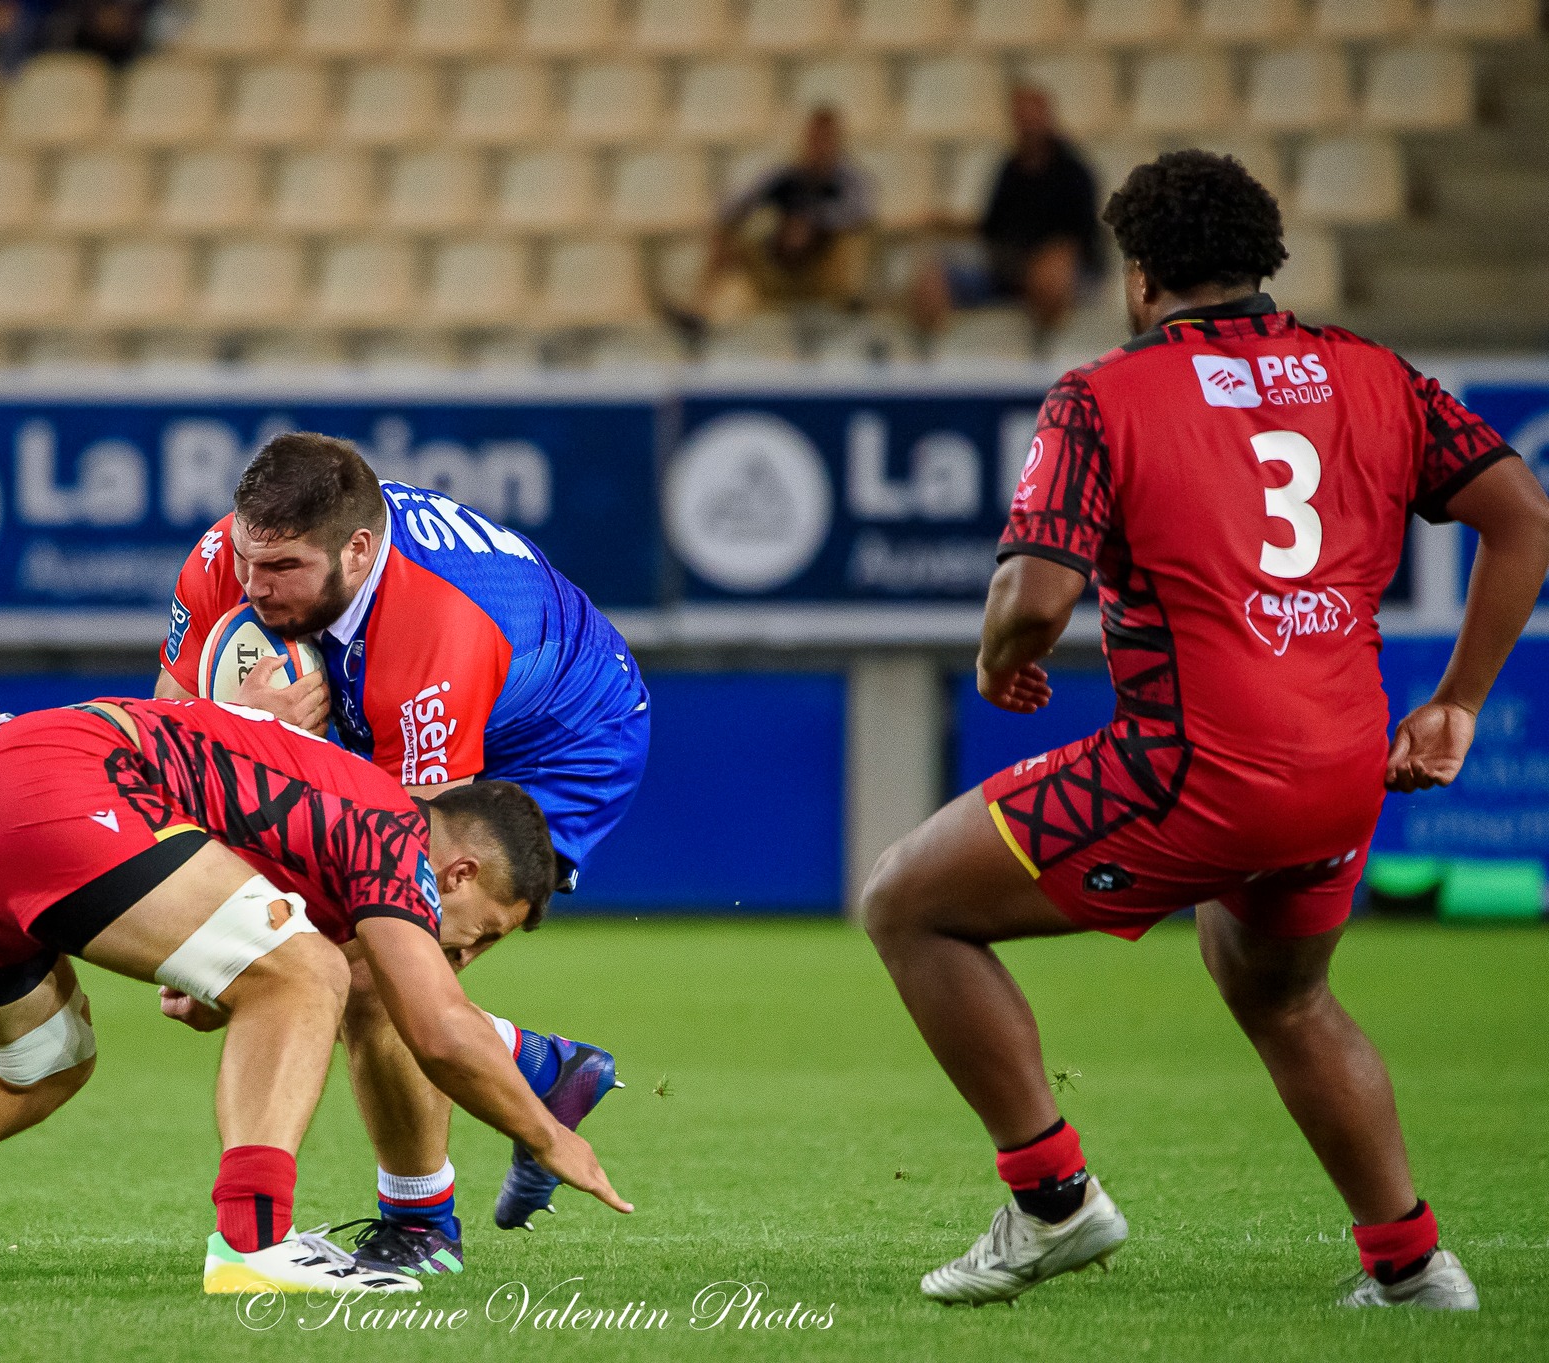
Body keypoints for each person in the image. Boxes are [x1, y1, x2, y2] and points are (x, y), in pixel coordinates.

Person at [862, 150, 1549, 1309]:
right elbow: (1521, 517)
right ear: (1259, 262)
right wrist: (1458, 701)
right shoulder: (1369, 374)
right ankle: (1411, 1265)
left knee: (906, 901)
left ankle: (1051, 1201)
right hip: (1343, 767)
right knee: (1277, 989)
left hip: (1193, 768)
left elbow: (1033, 598)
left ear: (1138, 277)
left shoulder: (1101, 395)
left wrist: (999, 663)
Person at [0, 697, 630, 1294]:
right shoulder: (392, 825)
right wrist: (548, 1134)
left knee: (38, 1062)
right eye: (486, 927)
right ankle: (254, 1239)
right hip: (41, 788)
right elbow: (431, 1027)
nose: (467, 948)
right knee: (305, 967)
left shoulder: (325, 818)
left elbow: (221, 968)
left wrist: (229, 985)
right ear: (459, 867)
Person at [156, 433, 649, 1275]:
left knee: (377, 962)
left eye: (282, 570)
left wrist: (239, 938)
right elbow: (170, 725)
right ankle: (536, 1065)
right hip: (421, 707)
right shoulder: (229, 556)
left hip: (563, 749)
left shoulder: (432, 636)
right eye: (248, 560)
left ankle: (423, 1228)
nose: (252, 586)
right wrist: (234, 726)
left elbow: (396, 853)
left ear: (358, 549)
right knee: (289, 960)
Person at [908, 86, 1102, 348]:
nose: (1027, 125)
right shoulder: (1008, 170)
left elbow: (1079, 240)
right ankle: (932, 353)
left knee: (1052, 272)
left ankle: (1048, 350)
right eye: (1021, 118)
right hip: (1008, 268)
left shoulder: (1074, 172)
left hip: (1063, 273)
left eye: (1033, 117)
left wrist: (1046, 261)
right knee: (932, 277)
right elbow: (990, 231)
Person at [663, 105, 875, 340]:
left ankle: (853, 310)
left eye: (826, 139)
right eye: (815, 139)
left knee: (854, 240)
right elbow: (734, 208)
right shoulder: (786, 177)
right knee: (726, 238)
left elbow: (859, 213)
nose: (820, 147)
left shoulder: (849, 182)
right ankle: (699, 313)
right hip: (779, 268)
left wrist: (813, 223)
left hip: (823, 274)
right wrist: (782, 228)